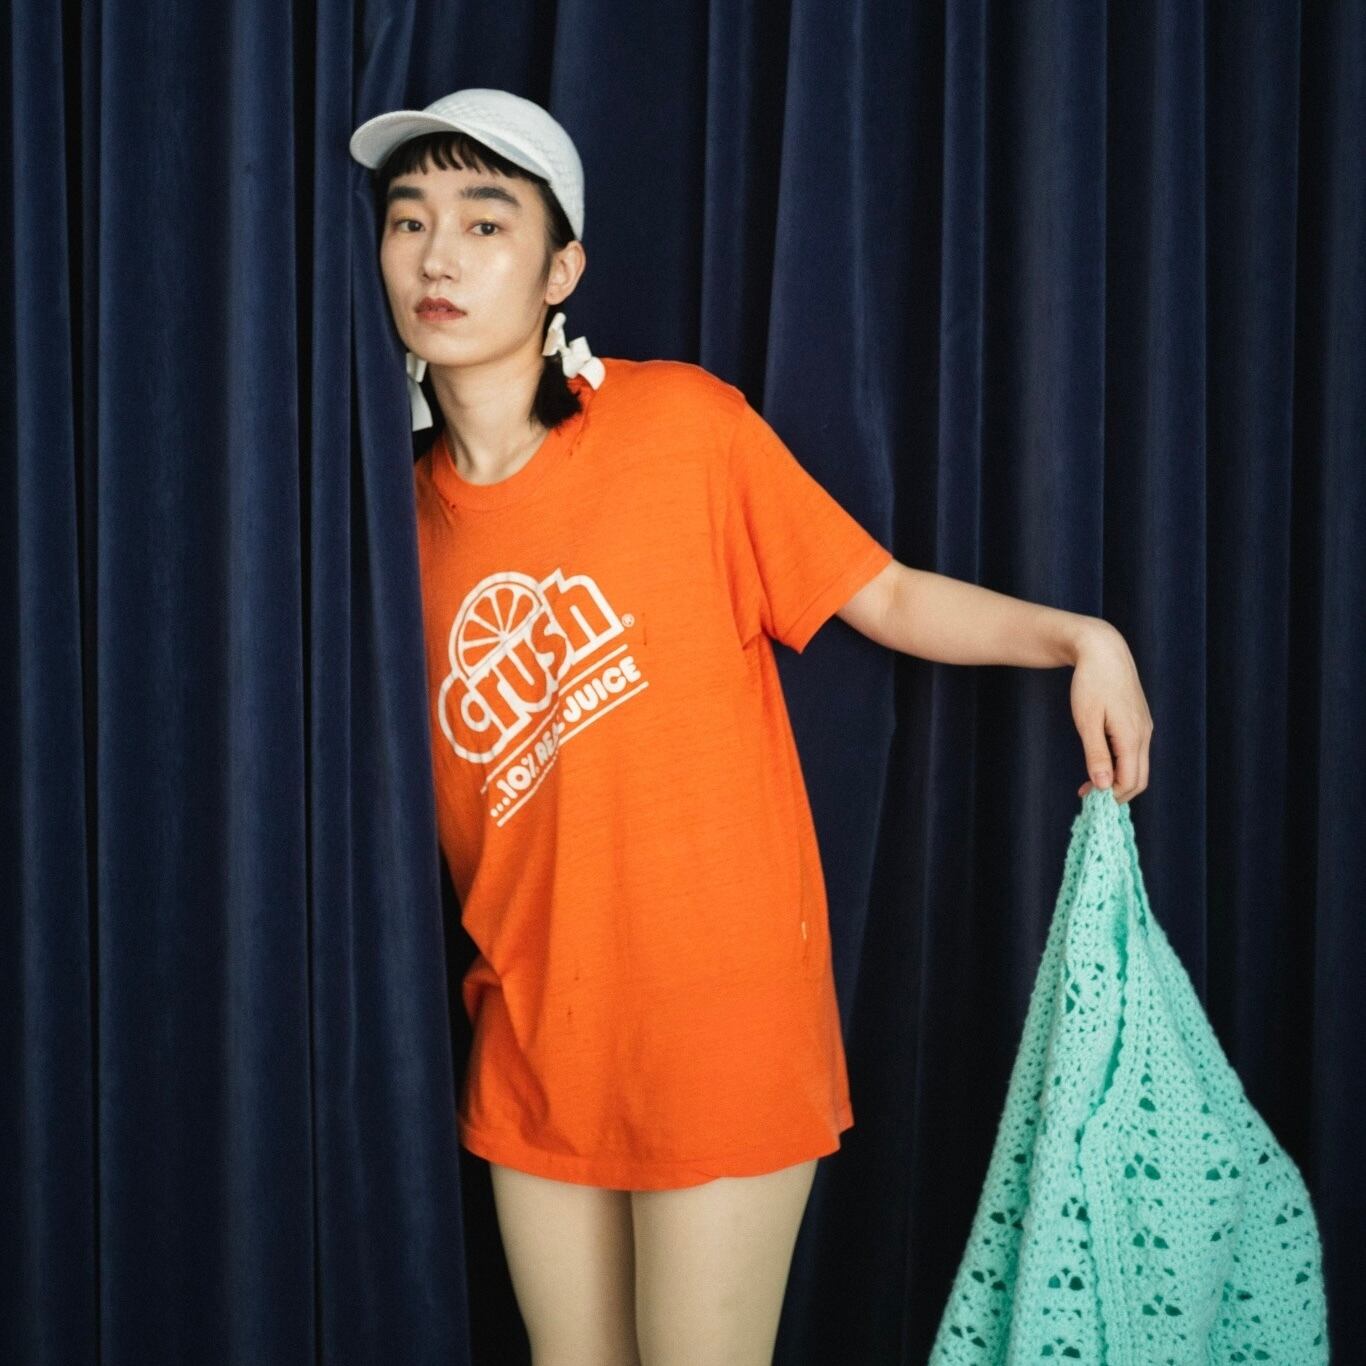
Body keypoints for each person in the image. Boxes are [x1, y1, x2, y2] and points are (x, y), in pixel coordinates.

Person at [349, 88, 1153, 1366]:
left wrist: (1078, 637)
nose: (439, 256)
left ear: (561, 270)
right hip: (535, 1030)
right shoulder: (383, 525)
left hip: (718, 1022)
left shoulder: (684, 428)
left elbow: (883, 594)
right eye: (409, 221)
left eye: (486, 222)